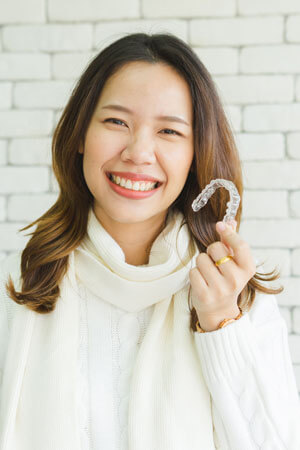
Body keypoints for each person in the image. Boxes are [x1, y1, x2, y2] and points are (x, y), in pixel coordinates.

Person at [0, 32, 299, 450]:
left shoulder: (239, 299)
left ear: (196, 152)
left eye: (170, 132)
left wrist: (222, 325)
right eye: (117, 122)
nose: (139, 152)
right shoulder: (18, 288)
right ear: (80, 134)